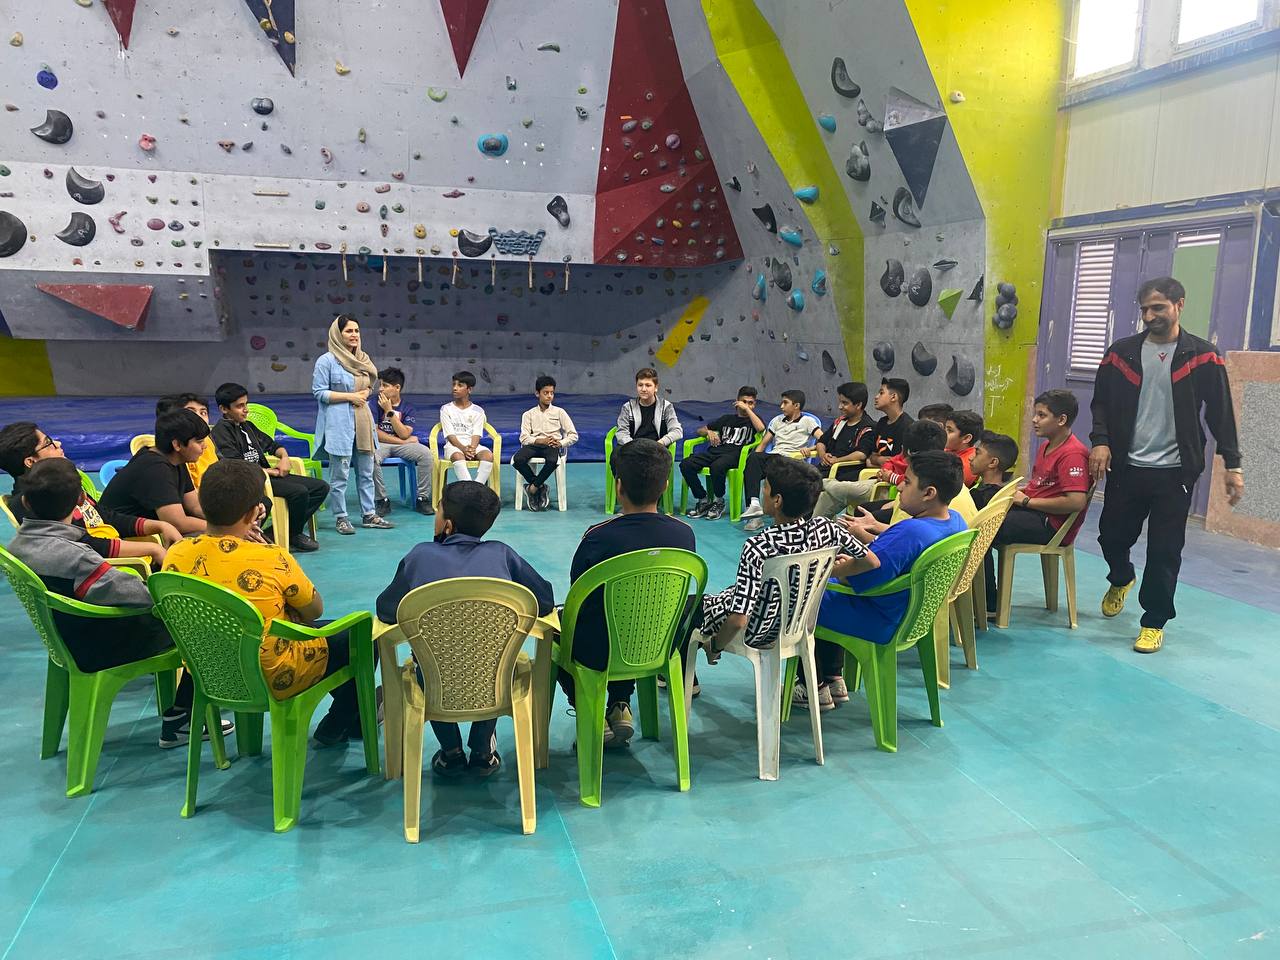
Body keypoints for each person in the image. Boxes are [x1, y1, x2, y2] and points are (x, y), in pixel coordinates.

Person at [5, 458, 216, 748]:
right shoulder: (76, 557)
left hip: (65, 636)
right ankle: (182, 719)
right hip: (100, 643)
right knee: (202, 626)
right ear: (80, 503)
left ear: (26, 502)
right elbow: (145, 597)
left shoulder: (17, 545)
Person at [1090, 276, 1243, 653]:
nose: (1149, 316)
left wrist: (1233, 464)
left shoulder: (1203, 356)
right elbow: (1101, 403)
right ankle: (1121, 577)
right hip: (1127, 468)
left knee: (1164, 550)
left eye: (1157, 308)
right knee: (1111, 536)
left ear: (1180, 305)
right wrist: (1101, 441)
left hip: (1175, 472)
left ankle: (1153, 621)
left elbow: (1221, 413)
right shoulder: (1121, 353)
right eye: (1144, 309)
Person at [163, 460, 362, 746]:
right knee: (361, 637)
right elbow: (314, 610)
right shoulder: (271, 557)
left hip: (209, 673)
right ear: (254, 512)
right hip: (273, 675)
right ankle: (339, 724)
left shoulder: (177, 553)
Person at [376, 481, 553, 776]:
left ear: (447, 524)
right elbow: (544, 600)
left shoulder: (419, 556)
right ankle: (483, 751)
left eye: (438, 509)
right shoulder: (503, 555)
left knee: (426, 664)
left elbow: (386, 609)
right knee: (499, 661)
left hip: (433, 683)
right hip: (495, 683)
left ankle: (451, 752)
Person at [690, 456, 869, 712]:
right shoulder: (827, 529)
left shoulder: (759, 545)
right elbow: (870, 561)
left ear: (777, 500)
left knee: (690, 610)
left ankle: (683, 681)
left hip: (760, 632)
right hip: (800, 625)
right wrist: (831, 569)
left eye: (765, 488)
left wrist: (715, 646)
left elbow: (739, 619)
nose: (762, 492)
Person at [560, 439, 696, 748]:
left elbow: (578, 593)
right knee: (636, 619)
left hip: (600, 651)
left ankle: (589, 711)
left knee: (561, 628)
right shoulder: (684, 534)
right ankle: (620, 704)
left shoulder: (598, 537)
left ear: (618, 486)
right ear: (665, 486)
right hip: (660, 643)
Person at [816, 450, 969, 669]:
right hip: (913, 615)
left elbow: (854, 579)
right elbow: (898, 552)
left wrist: (832, 569)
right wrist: (870, 533)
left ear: (929, 493)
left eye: (907, 482)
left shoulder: (911, 531)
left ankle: (817, 681)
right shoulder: (956, 522)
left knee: (803, 593)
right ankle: (832, 676)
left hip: (879, 618)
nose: (899, 487)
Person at [0, 421, 181, 555]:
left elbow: (104, 516)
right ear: (30, 462)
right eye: (48, 443)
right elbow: (80, 545)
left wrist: (159, 525)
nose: (58, 444)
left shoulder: (60, 482)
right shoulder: (38, 500)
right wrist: (152, 549)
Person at [983, 389, 1091, 612]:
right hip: (1035, 514)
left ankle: (989, 603)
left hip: (1051, 525)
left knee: (982, 528)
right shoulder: (1045, 446)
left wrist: (1025, 502)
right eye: (1035, 414)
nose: (1034, 420)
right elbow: (1042, 487)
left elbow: (1076, 502)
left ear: (1061, 420)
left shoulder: (1072, 454)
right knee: (983, 503)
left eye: (1042, 415)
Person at [211, 382, 328, 553]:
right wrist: (269, 471)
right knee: (299, 492)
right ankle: (294, 534)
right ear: (223, 409)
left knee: (321, 487)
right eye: (239, 406)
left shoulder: (247, 426)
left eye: (246, 404)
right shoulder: (221, 433)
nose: (246, 410)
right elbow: (236, 466)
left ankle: (277, 532)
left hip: (267, 476)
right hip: (250, 481)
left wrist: (284, 458)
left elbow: (273, 446)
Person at [312, 314, 394, 536]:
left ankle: (369, 515)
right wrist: (351, 397)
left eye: (356, 330)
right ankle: (341, 518)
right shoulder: (327, 361)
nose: (354, 335)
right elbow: (319, 392)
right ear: (337, 334)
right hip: (339, 424)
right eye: (349, 331)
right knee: (340, 475)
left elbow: (369, 384)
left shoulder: (363, 359)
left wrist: (364, 393)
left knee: (366, 472)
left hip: (363, 422)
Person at [99, 409, 210, 536]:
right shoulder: (154, 468)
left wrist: (224, 521)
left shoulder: (177, 459)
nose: (205, 446)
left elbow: (194, 506)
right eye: (199, 442)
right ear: (177, 445)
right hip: (120, 536)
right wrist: (219, 528)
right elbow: (177, 523)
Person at [814, 418, 944, 520]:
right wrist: (885, 471)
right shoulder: (883, 423)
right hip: (881, 481)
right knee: (829, 495)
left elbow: (904, 482)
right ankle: (814, 532)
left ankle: (819, 483)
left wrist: (890, 477)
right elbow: (891, 461)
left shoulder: (927, 470)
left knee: (840, 489)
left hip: (885, 488)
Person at [740, 389, 823, 530]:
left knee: (757, 462)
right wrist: (753, 462)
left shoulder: (808, 421)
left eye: (785, 403)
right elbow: (763, 444)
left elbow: (823, 439)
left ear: (796, 405)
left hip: (791, 460)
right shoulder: (777, 421)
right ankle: (754, 507)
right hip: (774, 456)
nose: (781, 406)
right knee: (753, 460)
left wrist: (810, 449)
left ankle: (759, 511)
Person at [679, 385, 763, 521]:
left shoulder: (753, 421)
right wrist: (709, 432)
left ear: (754, 405)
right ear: (737, 402)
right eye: (744, 402)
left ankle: (719, 501)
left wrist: (748, 409)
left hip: (735, 455)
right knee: (686, 464)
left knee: (717, 466)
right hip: (715, 451)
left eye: (750, 403)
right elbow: (700, 430)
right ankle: (703, 499)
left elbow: (761, 428)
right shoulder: (726, 419)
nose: (746, 405)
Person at [371, 366, 437, 518]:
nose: (380, 389)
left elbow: (404, 433)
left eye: (385, 385)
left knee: (426, 454)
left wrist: (389, 411)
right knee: (370, 457)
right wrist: (403, 442)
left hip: (403, 445)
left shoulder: (408, 408)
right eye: (380, 385)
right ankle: (381, 500)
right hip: (381, 444)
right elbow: (375, 433)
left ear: (397, 387)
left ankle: (422, 498)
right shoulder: (373, 403)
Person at [514, 375, 579, 512]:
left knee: (552, 461)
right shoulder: (528, 414)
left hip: (552, 446)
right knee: (517, 459)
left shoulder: (560, 412)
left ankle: (532, 488)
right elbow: (524, 438)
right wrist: (539, 440)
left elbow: (573, 435)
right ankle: (540, 487)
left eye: (552, 393)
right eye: (546, 393)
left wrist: (561, 443)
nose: (549, 396)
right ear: (537, 393)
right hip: (533, 444)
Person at [439, 370, 494, 489]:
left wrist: (471, 449)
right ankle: (471, 490)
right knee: (458, 456)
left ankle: (477, 488)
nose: (455, 388)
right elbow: (450, 435)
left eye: (460, 385)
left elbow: (476, 434)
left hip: (473, 446)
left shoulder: (478, 411)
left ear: (469, 389)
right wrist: (463, 449)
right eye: (454, 384)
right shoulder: (446, 409)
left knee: (488, 456)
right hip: (453, 447)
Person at [155, 393, 217, 488]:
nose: (198, 417)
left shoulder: (207, 440)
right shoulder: (175, 458)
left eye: (203, 413)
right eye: (191, 412)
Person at [969, 431, 1019, 510]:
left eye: (977, 453)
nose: (970, 458)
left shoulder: (979, 498)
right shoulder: (1006, 494)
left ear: (993, 462)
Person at [944, 409, 983, 487]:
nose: (943, 433)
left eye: (949, 430)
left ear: (966, 438)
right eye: (945, 428)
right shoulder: (949, 449)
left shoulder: (968, 465)